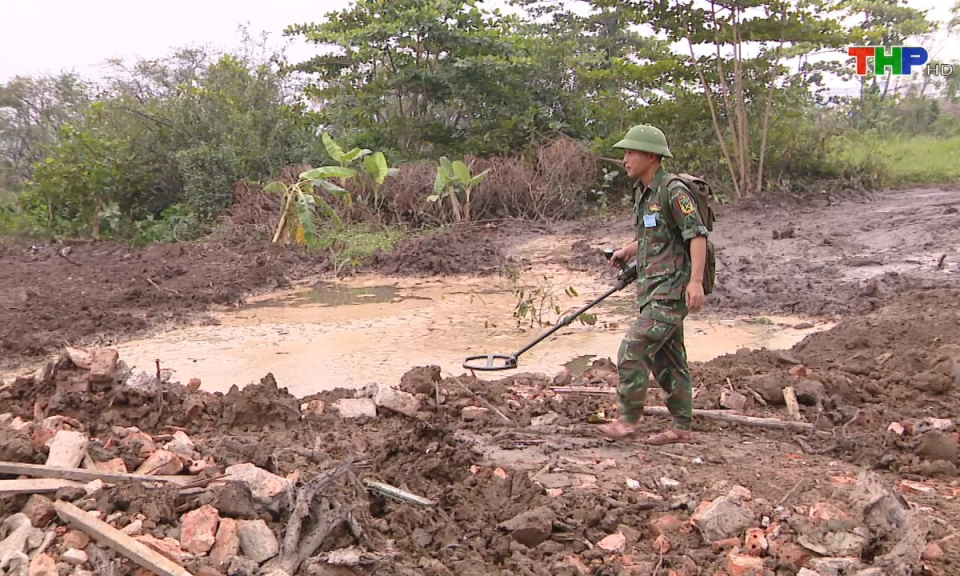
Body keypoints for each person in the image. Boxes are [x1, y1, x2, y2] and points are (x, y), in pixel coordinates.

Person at [597, 124, 709, 445]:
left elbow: (696, 235)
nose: (626, 159)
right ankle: (681, 428)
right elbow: (653, 233)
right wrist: (626, 251)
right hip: (651, 289)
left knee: (632, 350)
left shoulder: (673, 191)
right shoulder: (644, 192)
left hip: (671, 291)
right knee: (669, 360)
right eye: (625, 153)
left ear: (651, 156)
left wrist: (696, 282)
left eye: (631, 153)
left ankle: (627, 421)